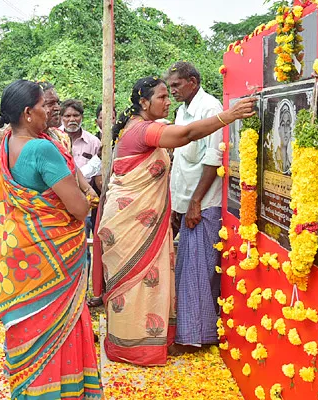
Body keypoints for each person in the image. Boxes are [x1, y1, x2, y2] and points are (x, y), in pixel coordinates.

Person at [94, 76, 256, 366]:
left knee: (145, 284)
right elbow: (186, 136)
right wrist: (228, 117)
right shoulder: (142, 130)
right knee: (134, 286)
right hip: (129, 222)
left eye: (169, 95)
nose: (168, 101)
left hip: (138, 220)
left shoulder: (141, 126)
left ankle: (146, 344)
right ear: (143, 103)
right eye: (161, 97)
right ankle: (132, 349)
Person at [0, 80, 102, 399]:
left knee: (31, 335)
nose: (51, 111)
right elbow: (76, 209)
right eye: (44, 106)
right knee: (62, 329)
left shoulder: (5, 144)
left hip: (22, 263)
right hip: (54, 263)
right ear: (28, 112)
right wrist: (88, 198)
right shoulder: (41, 148)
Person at [166, 61, 225, 354]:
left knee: (198, 273)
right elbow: (181, 158)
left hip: (203, 205)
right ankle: (193, 333)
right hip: (187, 201)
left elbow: (212, 160)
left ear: (192, 81)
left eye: (176, 85)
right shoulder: (182, 111)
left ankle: (196, 339)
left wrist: (195, 202)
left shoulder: (210, 109)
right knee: (187, 270)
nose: (172, 91)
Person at [61, 99, 102, 169]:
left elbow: (98, 174)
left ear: (82, 117)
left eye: (76, 115)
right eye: (67, 116)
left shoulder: (94, 142)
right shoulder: (53, 138)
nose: (72, 119)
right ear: (61, 118)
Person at [275, 103, 293, 173]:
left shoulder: (290, 162)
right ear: (279, 130)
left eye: (288, 125)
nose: (286, 130)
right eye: (283, 125)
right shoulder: (275, 157)